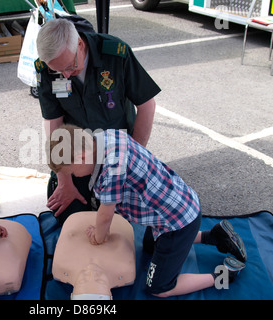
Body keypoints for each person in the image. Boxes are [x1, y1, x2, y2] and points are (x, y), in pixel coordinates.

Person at [47, 124, 247, 298]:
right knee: (150, 246)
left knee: (159, 288)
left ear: (82, 157)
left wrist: (98, 236)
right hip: (179, 205)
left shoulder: (111, 170)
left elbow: (105, 215)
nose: (74, 176)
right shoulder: (105, 137)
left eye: (72, 172)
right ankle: (215, 236)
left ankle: (223, 275)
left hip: (177, 222)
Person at [35, 18, 161, 224]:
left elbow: (147, 105)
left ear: (80, 45)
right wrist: (64, 180)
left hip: (118, 154)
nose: (65, 74)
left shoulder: (115, 54)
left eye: (69, 66)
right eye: (58, 71)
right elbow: (53, 121)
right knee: (70, 216)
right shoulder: (46, 68)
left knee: (131, 217)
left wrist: (134, 159)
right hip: (79, 157)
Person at [52, 211, 136, 300]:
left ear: (71, 296)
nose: (91, 273)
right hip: (116, 214)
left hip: (78, 215)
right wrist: (104, 226)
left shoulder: (61, 265)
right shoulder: (125, 269)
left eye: (83, 281)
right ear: (111, 297)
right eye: (100, 281)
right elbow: (124, 232)